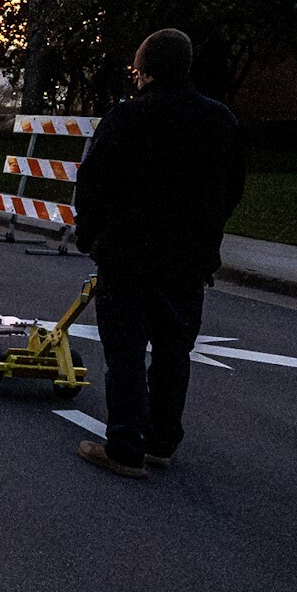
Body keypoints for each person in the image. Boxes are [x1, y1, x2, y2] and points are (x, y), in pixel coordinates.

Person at [72, 29, 245, 479]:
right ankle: (162, 443)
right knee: (174, 352)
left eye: (135, 69)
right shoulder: (221, 121)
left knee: (126, 354)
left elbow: (93, 185)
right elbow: (233, 188)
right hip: (189, 259)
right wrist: (208, 231)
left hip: (128, 255)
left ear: (145, 70)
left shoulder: (127, 119)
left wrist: (89, 236)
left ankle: (125, 448)